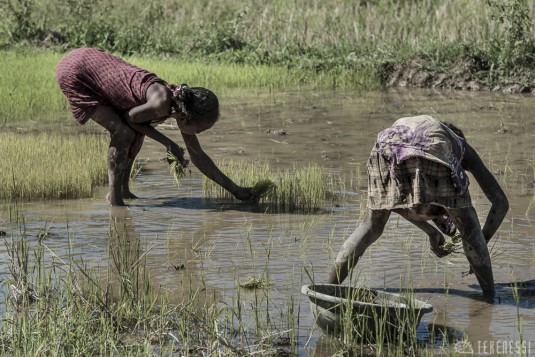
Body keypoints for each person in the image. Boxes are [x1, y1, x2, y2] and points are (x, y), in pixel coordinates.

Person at [327, 115, 508, 298]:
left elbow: (396, 203)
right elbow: (501, 203)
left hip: (384, 148)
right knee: (469, 228)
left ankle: (327, 289)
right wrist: (479, 244)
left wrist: (431, 232)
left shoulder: (422, 128)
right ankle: (490, 300)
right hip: (431, 146)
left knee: (370, 227)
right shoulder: (458, 144)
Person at [56, 48, 253, 206]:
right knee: (123, 133)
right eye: (200, 130)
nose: (198, 134)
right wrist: (168, 144)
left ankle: (124, 191)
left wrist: (237, 191)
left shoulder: (179, 105)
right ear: (187, 118)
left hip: (91, 62)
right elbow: (130, 117)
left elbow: (198, 156)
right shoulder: (161, 102)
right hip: (77, 70)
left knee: (136, 133)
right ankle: (115, 201)